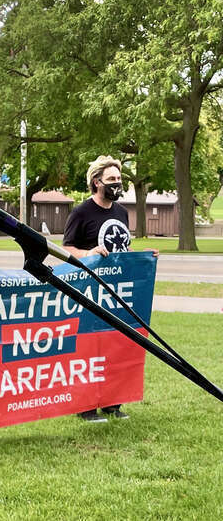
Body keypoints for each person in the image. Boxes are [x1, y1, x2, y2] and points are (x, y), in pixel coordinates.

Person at [62, 155, 158, 423]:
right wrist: (89, 253)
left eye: (119, 179)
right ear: (97, 182)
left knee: (117, 345)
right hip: (90, 292)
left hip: (118, 293)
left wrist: (144, 258)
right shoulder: (81, 212)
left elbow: (122, 250)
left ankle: (113, 403)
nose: (118, 184)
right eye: (112, 180)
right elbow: (66, 248)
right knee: (90, 348)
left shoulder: (121, 213)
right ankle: (86, 407)